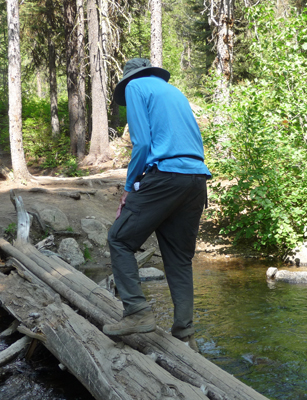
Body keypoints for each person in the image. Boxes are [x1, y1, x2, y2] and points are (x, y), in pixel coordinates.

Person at [102, 58, 211, 352]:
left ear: (129, 80)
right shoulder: (173, 91)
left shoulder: (136, 86)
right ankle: (185, 335)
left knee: (119, 239)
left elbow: (142, 144)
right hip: (196, 180)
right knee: (178, 257)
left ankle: (136, 312)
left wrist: (128, 187)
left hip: (165, 177)